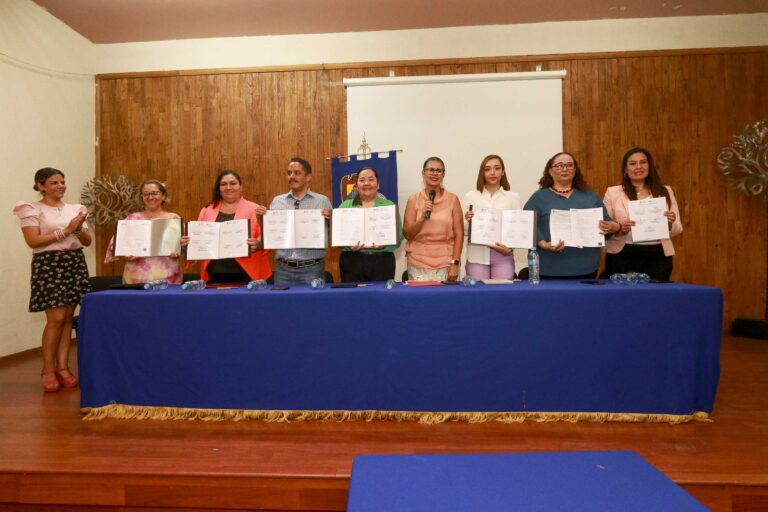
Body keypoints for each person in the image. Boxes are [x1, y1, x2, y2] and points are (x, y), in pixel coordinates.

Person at [13, 168, 92, 392]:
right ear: (40, 185)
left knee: (67, 316)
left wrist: (77, 230)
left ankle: (63, 367)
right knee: (55, 318)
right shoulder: (31, 208)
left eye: (62, 181)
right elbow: (33, 241)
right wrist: (66, 231)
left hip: (74, 261)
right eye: (54, 182)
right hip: (48, 263)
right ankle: (48, 369)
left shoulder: (76, 209)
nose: (60, 186)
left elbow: (87, 241)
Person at [523, 152, 620, 279]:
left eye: (569, 165)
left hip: (586, 267)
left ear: (575, 170)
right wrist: (542, 243)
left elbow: (607, 224)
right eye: (559, 166)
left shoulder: (590, 196)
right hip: (549, 267)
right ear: (550, 171)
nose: (564, 169)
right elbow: (526, 222)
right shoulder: (539, 197)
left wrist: (613, 227)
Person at [603, 147, 683, 280]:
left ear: (649, 166)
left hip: (658, 255)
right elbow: (604, 227)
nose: (638, 167)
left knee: (655, 299)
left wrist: (669, 223)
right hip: (622, 254)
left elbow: (677, 229)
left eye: (643, 162)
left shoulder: (665, 191)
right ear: (625, 169)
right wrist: (620, 228)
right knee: (623, 299)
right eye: (633, 163)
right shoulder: (613, 193)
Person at [183, 170, 271, 284]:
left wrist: (258, 243)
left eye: (233, 183)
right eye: (224, 184)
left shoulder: (255, 209)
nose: (228, 187)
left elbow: (267, 236)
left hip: (247, 274)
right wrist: (188, 244)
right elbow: (197, 240)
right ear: (219, 189)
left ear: (241, 187)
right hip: (214, 273)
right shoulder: (206, 210)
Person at [104, 179, 182, 284]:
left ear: (163, 196)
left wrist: (179, 249)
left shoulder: (173, 219)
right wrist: (125, 253)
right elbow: (117, 243)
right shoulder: (132, 219)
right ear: (142, 197)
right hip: (135, 277)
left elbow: (181, 246)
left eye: (154, 193)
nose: (150, 197)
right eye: (146, 194)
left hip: (167, 277)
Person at [268, 157, 332, 285]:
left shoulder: (322, 201)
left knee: (312, 304)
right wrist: (263, 218)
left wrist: (330, 221)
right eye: (289, 173)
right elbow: (271, 234)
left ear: (308, 177)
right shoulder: (277, 202)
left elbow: (331, 236)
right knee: (282, 305)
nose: (292, 176)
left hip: (312, 268)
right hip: (283, 269)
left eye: (297, 173)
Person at [403, 156, 464, 282]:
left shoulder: (453, 199)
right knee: (420, 301)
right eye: (431, 170)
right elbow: (407, 234)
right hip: (418, 262)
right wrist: (421, 218)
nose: (435, 174)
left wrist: (455, 263)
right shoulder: (413, 200)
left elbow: (459, 234)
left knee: (445, 301)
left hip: (446, 262)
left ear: (443, 175)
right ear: (423, 173)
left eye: (439, 170)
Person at [338, 167, 402, 282]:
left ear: (378, 184)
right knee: (353, 297)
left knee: (381, 298)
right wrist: (348, 246)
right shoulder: (345, 206)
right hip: (351, 261)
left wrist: (386, 245)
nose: (366, 183)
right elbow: (338, 236)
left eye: (371, 179)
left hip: (382, 262)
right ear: (356, 185)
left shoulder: (389, 206)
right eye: (362, 180)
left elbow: (399, 236)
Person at [463, 155, 521, 280]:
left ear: (503, 172)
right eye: (487, 169)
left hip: (503, 256)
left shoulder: (513, 197)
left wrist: (509, 249)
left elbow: (517, 229)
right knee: (478, 294)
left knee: (502, 294)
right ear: (482, 173)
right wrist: (468, 220)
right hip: (477, 255)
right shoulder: (471, 196)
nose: (492, 173)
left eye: (497, 168)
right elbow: (464, 230)